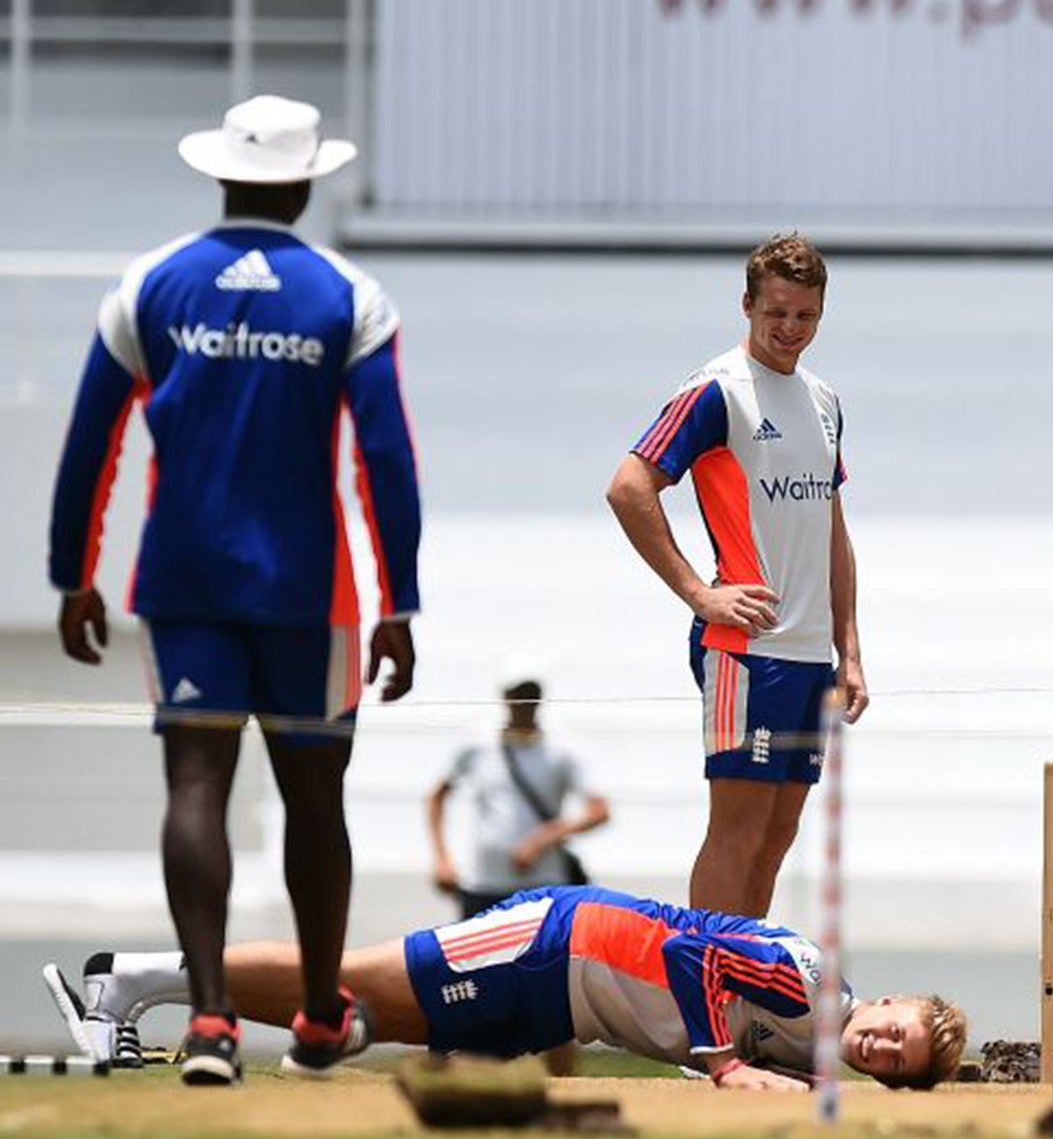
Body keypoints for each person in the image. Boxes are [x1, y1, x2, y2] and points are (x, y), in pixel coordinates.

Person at [45, 95, 422, 1086]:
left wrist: (72, 575)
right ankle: (313, 1019)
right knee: (314, 799)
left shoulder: (149, 285)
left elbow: (92, 443)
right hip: (312, 591)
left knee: (197, 785)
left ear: (221, 175)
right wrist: (399, 601)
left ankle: (210, 1022)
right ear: (304, 184)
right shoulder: (350, 294)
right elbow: (386, 461)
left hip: (183, 578)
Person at [43, 885, 967, 1090]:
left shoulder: (821, 1067)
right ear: (885, 1002)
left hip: (564, 996)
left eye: (897, 1061)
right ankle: (124, 980)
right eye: (895, 1029)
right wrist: (720, 1062)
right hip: (560, 944)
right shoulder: (813, 987)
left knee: (362, 1020)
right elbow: (697, 959)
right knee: (342, 979)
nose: (881, 1045)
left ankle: (151, 988)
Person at [605, 235, 866, 917]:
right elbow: (629, 487)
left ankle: (742, 996)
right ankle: (706, 1001)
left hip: (811, 655)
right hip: (747, 654)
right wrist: (699, 592)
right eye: (776, 312)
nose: (790, 330)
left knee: (779, 836)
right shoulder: (716, 391)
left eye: (805, 316)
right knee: (739, 833)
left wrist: (851, 650)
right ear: (747, 305)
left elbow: (832, 529)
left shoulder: (824, 400)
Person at [429, 678, 612, 919]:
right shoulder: (477, 744)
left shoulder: (562, 748)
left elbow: (599, 811)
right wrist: (442, 858)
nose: (524, 703)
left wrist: (543, 838)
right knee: (478, 955)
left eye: (530, 694)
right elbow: (437, 796)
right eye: (518, 694)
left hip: (544, 886)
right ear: (505, 696)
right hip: (483, 884)